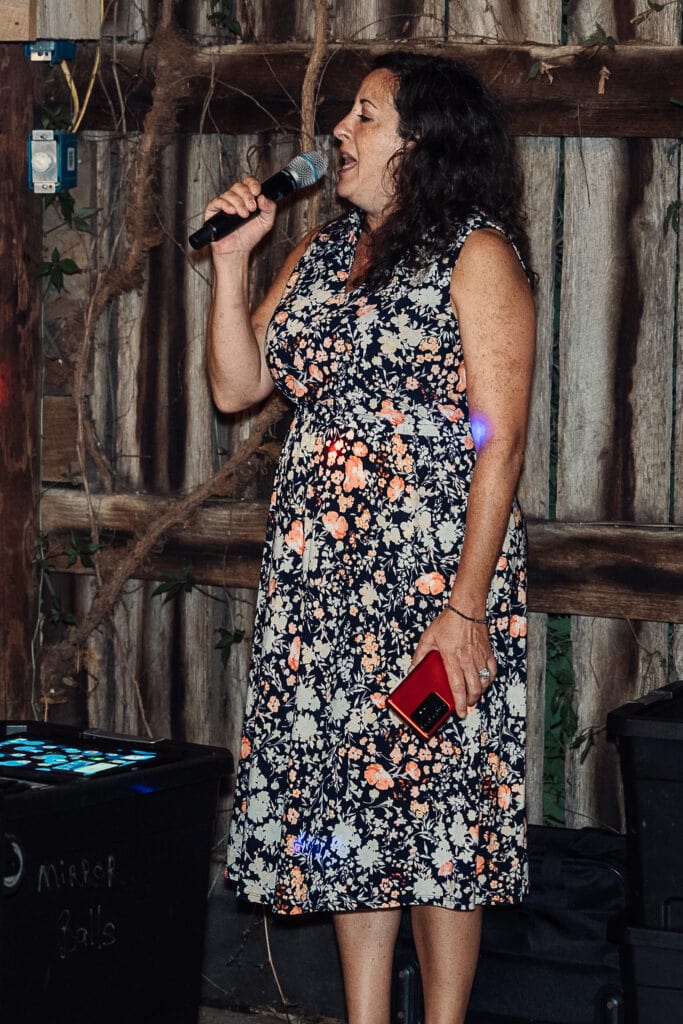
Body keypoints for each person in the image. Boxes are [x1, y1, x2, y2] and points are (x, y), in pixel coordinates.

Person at [205, 50, 536, 1024]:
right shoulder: (317, 253)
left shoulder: (475, 255)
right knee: (347, 810)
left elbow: (499, 435)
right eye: (347, 116)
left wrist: (464, 608)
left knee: (434, 808)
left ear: (421, 142)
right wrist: (232, 267)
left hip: (432, 593)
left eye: (363, 117)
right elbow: (235, 386)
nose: (338, 135)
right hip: (322, 593)